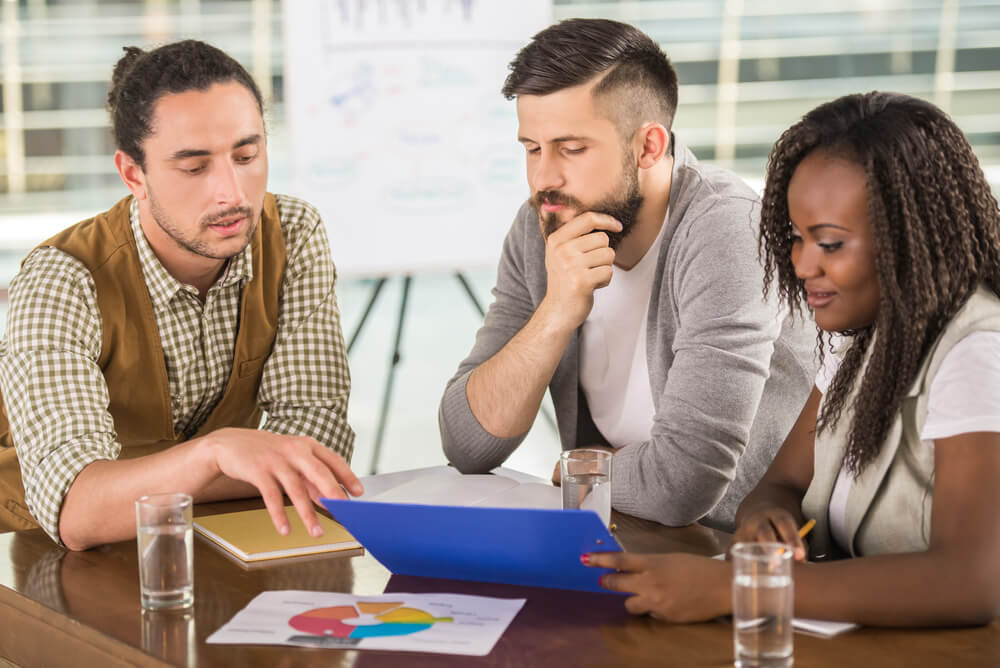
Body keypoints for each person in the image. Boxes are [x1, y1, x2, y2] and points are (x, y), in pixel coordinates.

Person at [586, 91, 1000, 627]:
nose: (802, 265)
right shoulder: (862, 336)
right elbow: (779, 485)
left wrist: (745, 586)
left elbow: (970, 581)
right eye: (797, 238)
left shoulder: (977, 352)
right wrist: (768, 523)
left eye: (829, 244)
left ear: (911, 237)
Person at [438, 18, 815, 530]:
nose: (544, 177)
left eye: (571, 149)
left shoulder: (727, 229)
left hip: (739, 554)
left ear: (649, 147)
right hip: (630, 537)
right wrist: (554, 314)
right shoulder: (542, 226)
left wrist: (573, 469)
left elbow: (682, 483)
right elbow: (467, 442)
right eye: (531, 148)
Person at [0, 40, 362, 550]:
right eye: (195, 167)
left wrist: (134, 486)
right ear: (133, 175)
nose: (232, 192)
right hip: (40, 557)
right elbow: (76, 510)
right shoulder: (62, 279)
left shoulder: (293, 232)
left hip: (210, 542)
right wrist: (216, 455)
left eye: (247, 155)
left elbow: (315, 448)